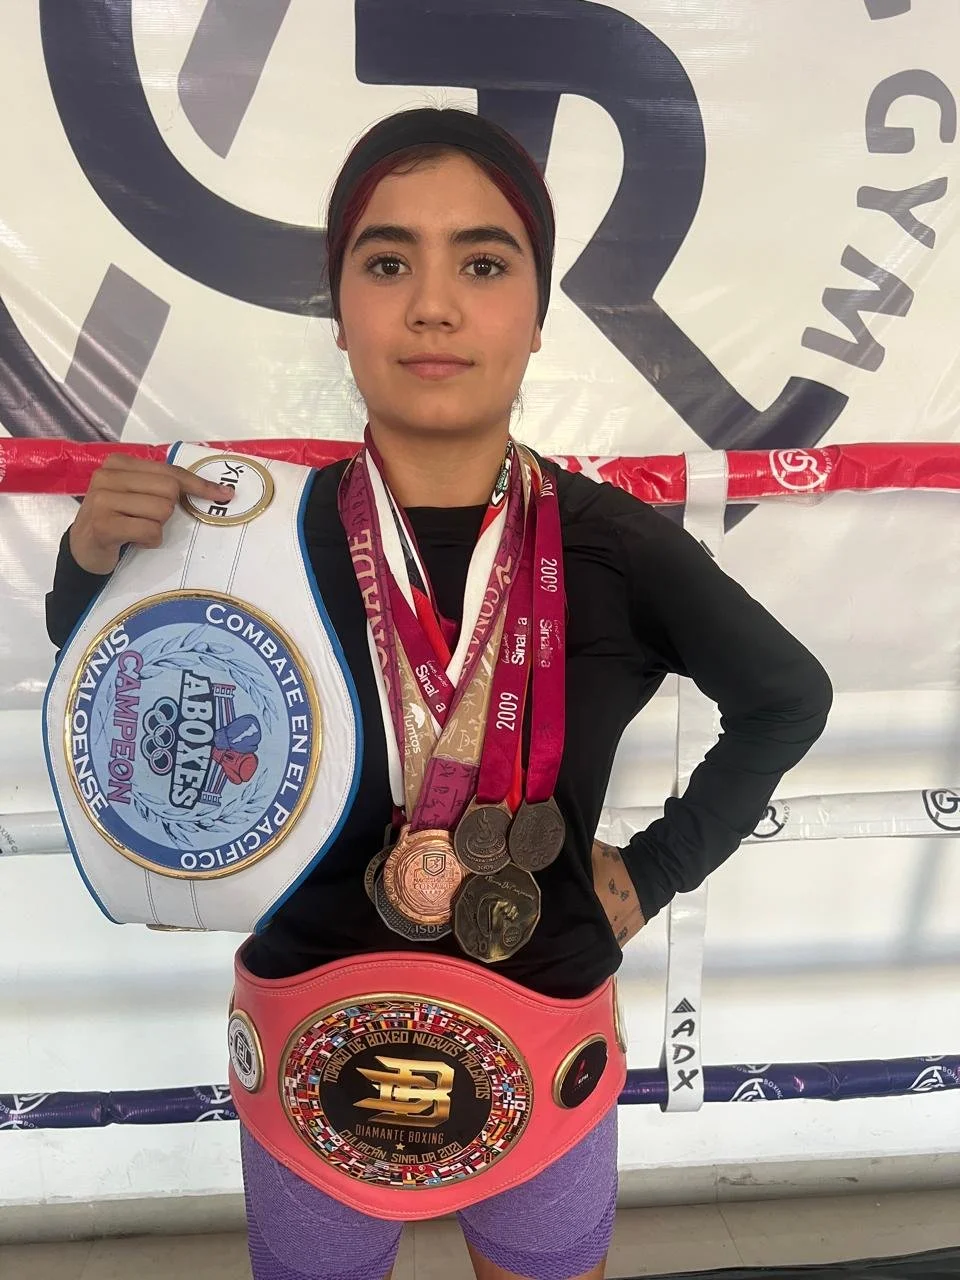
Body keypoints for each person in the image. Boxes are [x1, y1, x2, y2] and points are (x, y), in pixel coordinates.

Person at [46, 107, 832, 1280]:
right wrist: (90, 572)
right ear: (341, 303)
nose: (433, 304)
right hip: (308, 1044)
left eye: (481, 260)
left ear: (538, 304)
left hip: (547, 1033)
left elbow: (788, 695)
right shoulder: (246, 529)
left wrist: (655, 869)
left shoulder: (613, 545)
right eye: (386, 260)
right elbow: (121, 715)